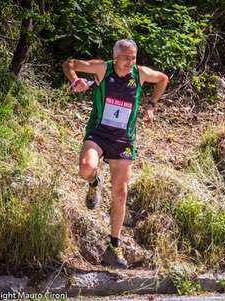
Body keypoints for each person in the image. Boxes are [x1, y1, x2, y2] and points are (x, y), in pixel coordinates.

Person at [62, 39, 168, 268]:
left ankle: (113, 247)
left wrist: (152, 105)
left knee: (121, 191)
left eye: (134, 58)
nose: (130, 62)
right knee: (85, 169)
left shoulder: (139, 74)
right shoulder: (102, 68)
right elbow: (69, 63)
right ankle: (94, 182)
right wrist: (76, 81)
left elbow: (163, 79)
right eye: (126, 58)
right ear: (115, 56)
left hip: (123, 140)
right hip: (99, 134)